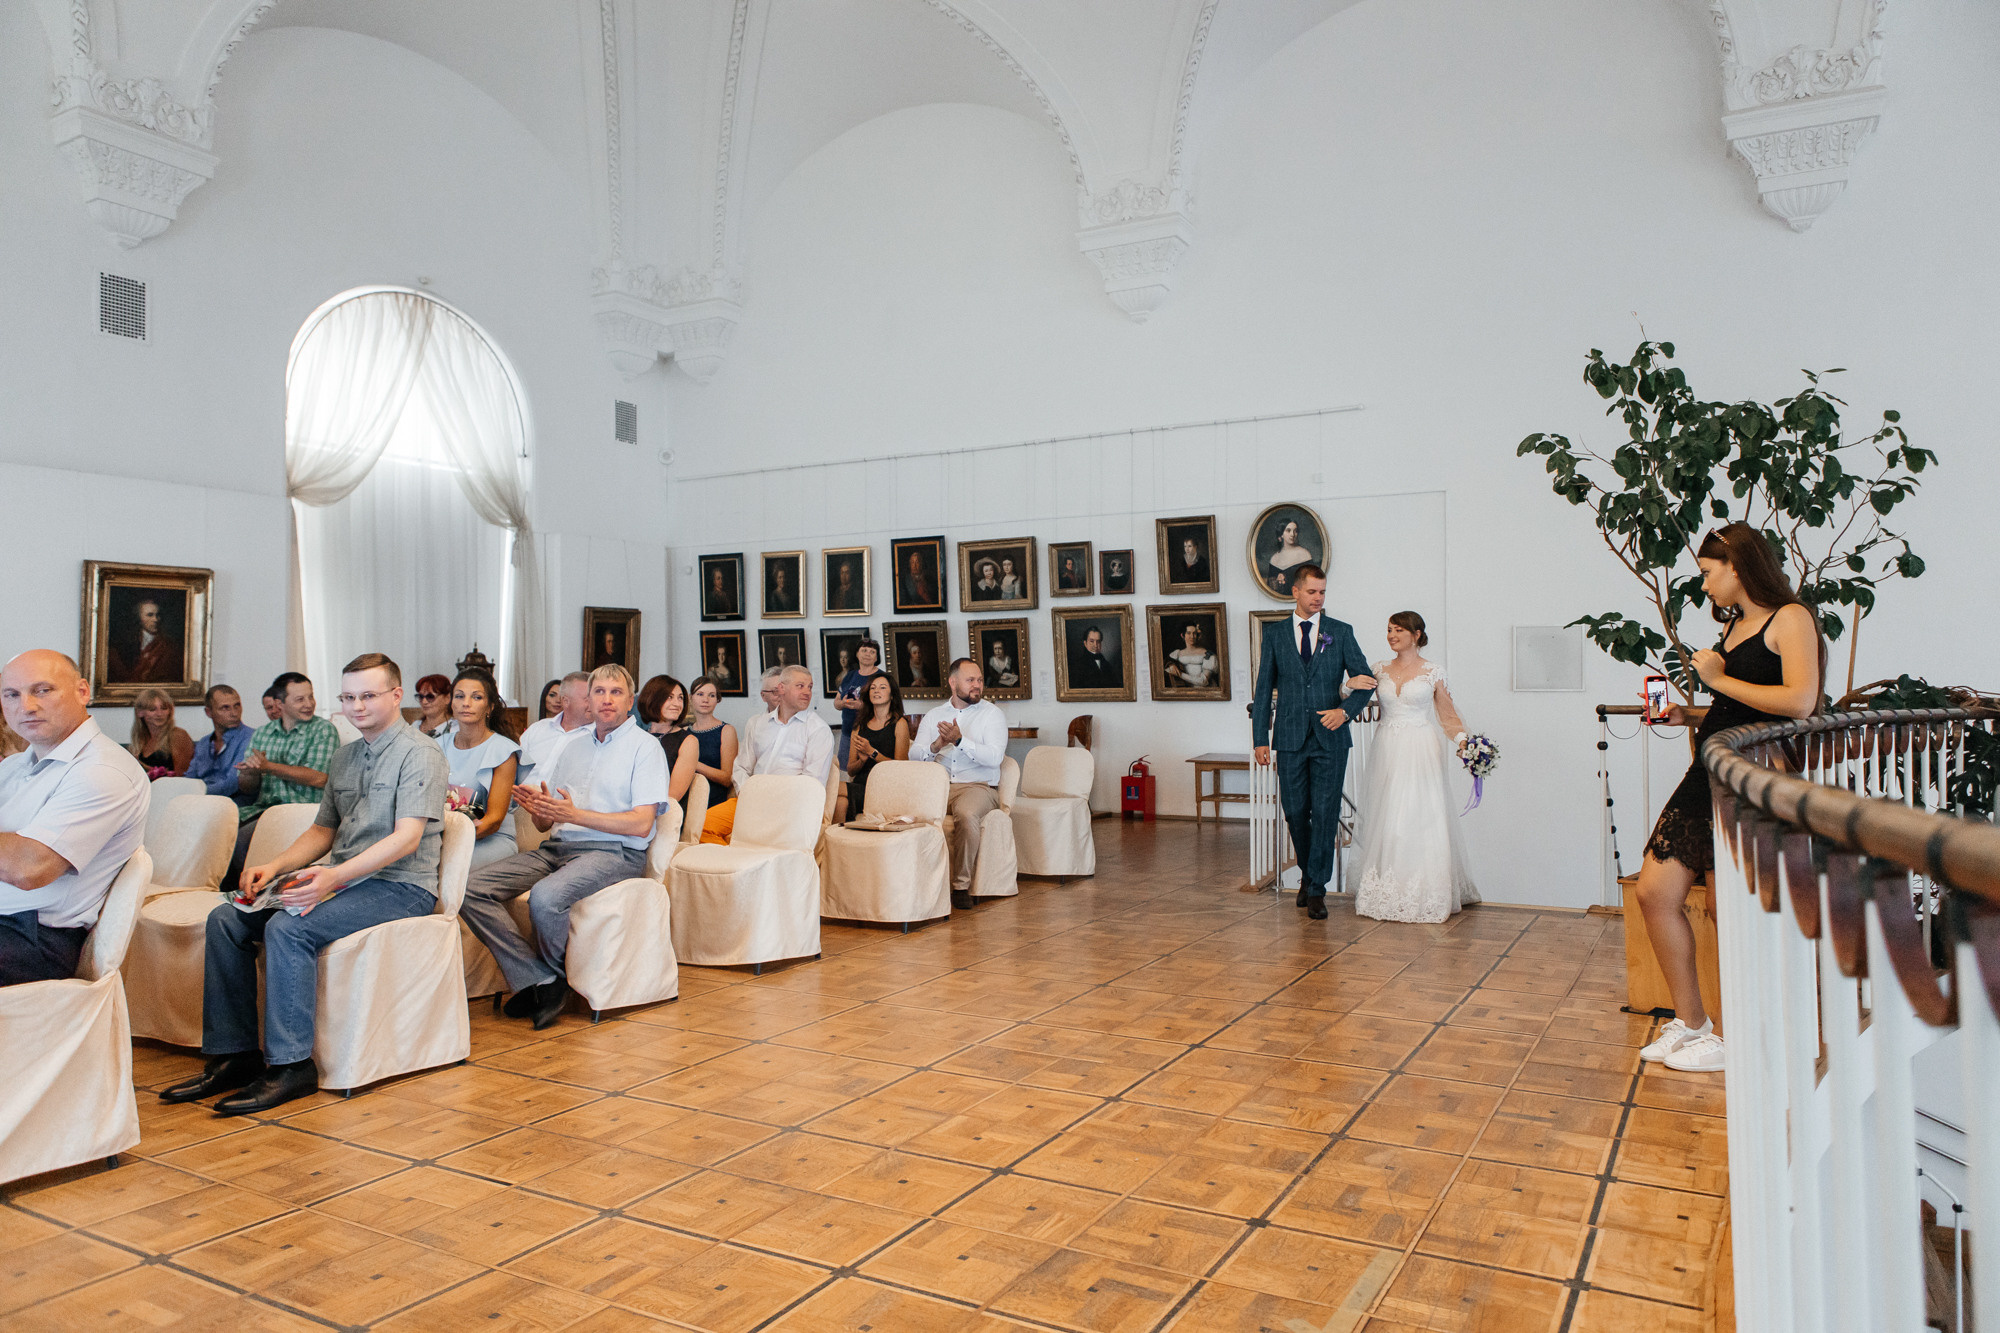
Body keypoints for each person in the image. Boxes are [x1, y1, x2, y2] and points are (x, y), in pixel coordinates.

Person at [160, 653, 447, 1113]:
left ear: (396, 696)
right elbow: (322, 831)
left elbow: (407, 839)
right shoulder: (346, 756)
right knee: (226, 920)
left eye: (368, 695)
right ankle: (234, 1056)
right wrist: (273, 866)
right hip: (345, 879)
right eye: (349, 697)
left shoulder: (422, 754)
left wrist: (333, 876)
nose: (357, 706)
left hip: (401, 885)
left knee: (288, 928)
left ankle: (293, 1067)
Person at [1637, 523, 1822, 1074]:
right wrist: (1688, 713)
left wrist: (1716, 679)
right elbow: (1742, 706)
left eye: (1707, 572)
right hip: (1712, 765)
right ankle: (1693, 1024)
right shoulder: (1737, 624)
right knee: (1654, 892)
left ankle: (1744, 1035)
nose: (1705, 584)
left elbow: (1801, 701)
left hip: (1756, 774)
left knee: (1730, 910)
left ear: (1737, 566)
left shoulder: (1791, 618)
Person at [460, 665, 669, 1028]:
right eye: (599, 692)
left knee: (545, 898)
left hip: (615, 853)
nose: (606, 699)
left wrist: (575, 814)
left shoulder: (646, 748)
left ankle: (547, 982)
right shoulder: (573, 746)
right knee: (469, 888)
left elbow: (641, 823)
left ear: (630, 700)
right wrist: (539, 810)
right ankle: (541, 979)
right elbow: (549, 821)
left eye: (615, 692)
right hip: (558, 847)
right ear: (588, 700)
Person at [0, 650, 149, 985]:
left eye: (42, 690)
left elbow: (29, 868)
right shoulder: (15, 766)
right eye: (12, 694)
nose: (26, 706)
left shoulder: (102, 770)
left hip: (33, 939)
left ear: (83, 692)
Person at [1250, 564, 1377, 920]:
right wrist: (1261, 736)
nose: (1318, 598)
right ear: (1295, 592)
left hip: (1330, 738)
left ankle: (1317, 888)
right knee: (1294, 813)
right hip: (1289, 738)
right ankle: (1308, 873)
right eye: (1312, 592)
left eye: (1322, 592)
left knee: (1325, 814)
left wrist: (1345, 712)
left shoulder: (1340, 632)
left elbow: (1365, 680)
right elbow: (1263, 691)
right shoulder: (1275, 635)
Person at [1351, 612, 1480, 924]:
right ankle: (1387, 890)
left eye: (1398, 630)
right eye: (1389, 630)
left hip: (1420, 746)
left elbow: (1447, 714)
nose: (1391, 635)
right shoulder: (1379, 669)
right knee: (1388, 813)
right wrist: (1348, 685)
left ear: (1416, 634)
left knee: (1419, 814)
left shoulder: (1433, 671)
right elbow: (1355, 699)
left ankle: (1426, 890)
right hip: (1387, 747)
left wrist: (1464, 742)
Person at [226, 672, 338, 895]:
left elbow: (319, 777)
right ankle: (240, 898)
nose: (309, 704)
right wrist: (250, 772)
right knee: (222, 837)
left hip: (304, 812)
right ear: (280, 703)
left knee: (240, 843)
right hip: (265, 810)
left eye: (311, 697)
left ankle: (255, 895)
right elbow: (248, 788)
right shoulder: (263, 733)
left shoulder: (323, 730)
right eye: (300, 699)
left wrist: (268, 766)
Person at [911, 659, 1008, 907]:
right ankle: (916, 882)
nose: (977, 686)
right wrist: (936, 746)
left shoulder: (992, 715)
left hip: (978, 786)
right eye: (970, 680)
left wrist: (960, 741)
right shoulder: (935, 715)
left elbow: (995, 758)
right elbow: (914, 755)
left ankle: (961, 886)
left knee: (965, 815)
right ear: (953, 683)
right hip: (938, 785)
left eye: (979, 680)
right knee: (908, 814)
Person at [700, 665, 832, 844]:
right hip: (750, 800)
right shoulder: (758, 724)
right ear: (781, 688)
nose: (807, 692)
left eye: (810, 686)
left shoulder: (818, 729)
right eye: (800, 686)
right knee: (702, 826)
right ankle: (739, 868)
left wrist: (774, 803)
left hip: (789, 807)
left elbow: (812, 784)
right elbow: (741, 767)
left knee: (766, 840)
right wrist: (749, 795)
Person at [444, 668, 521, 869]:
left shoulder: (503, 751)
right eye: (459, 696)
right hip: (442, 838)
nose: (466, 703)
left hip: (491, 841)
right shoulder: (435, 746)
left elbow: (493, 821)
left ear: (490, 707)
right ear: (451, 703)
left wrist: (445, 844)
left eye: (476, 697)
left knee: (447, 867)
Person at [846, 673, 911, 816]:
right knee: (839, 801)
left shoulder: (899, 724)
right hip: (861, 784)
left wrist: (871, 752)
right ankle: (842, 837)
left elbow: (900, 767)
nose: (876, 691)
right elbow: (850, 770)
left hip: (884, 787)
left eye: (882, 687)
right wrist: (862, 761)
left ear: (892, 695)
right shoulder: (859, 726)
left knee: (834, 791)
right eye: (873, 688)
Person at [636, 674, 700, 814]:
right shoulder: (638, 737)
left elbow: (672, 798)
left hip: (665, 816)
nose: (677, 704)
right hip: (633, 811)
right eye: (669, 697)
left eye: (680, 698)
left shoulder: (688, 741)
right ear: (652, 699)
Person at [185, 685, 256, 807]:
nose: (234, 713)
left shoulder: (252, 737)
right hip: (200, 803)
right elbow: (190, 778)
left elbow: (233, 783)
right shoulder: (203, 743)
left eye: (237, 705)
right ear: (209, 712)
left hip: (234, 805)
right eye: (225, 708)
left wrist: (195, 793)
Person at [518, 672, 590, 786]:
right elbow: (515, 771)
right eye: (587, 699)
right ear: (566, 701)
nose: (595, 703)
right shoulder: (537, 729)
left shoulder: (598, 738)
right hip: (520, 801)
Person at [832, 638, 885, 768]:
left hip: (872, 735)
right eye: (864, 650)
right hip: (848, 732)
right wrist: (843, 703)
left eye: (872, 652)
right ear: (857, 654)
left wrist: (862, 706)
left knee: (871, 772)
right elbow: (836, 703)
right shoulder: (850, 676)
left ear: (876, 657)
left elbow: (885, 707)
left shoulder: (882, 677)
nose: (868, 654)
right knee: (848, 770)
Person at [687, 675, 739, 806]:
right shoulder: (684, 732)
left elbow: (727, 778)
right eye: (700, 694)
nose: (705, 700)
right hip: (686, 800)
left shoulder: (726, 730)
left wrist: (694, 764)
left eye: (711, 695)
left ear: (717, 700)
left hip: (714, 801)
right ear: (690, 698)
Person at [109, 596, 182, 683]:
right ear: (140, 618)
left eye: (158, 615)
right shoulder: (125, 642)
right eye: (150, 615)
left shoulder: (169, 646)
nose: (155, 619)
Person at [128, 686, 194, 775]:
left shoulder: (178, 735)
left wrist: (145, 768)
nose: (159, 714)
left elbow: (183, 775)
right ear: (140, 713)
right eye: (152, 709)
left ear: (170, 711)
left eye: (164, 708)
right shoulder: (139, 741)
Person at [1164, 623, 1218, 689]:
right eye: (1188, 633)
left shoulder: (1207, 654)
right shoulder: (1177, 654)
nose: (1192, 636)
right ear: (1182, 635)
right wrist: (1171, 664)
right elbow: (1166, 665)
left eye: (1194, 633)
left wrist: (1180, 674)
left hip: (1206, 690)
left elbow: (1204, 681)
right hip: (1185, 691)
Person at [1267, 518, 1314, 593]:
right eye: (1288, 531)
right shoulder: (1274, 559)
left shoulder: (1304, 554)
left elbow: (1311, 582)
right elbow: (1270, 588)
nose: (1292, 534)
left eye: (1295, 531)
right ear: (1281, 535)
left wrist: (1286, 576)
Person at [412, 674, 453, 738]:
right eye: (421, 697)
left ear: (447, 698)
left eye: (430, 697)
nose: (424, 702)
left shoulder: (455, 729)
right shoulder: (415, 726)